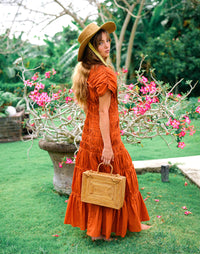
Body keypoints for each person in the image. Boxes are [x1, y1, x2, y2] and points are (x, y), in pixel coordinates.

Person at [64, 21, 150, 241]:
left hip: (90, 136)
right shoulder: (104, 73)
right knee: (121, 176)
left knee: (97, 181)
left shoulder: (89, 72)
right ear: (92, 48)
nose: (107, 45)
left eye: (108, 41)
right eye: (100, 42)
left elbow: (93, 109)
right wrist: (109, 147)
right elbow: (104, 112)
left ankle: (99, 230)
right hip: (105, 136)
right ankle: (115, 227)